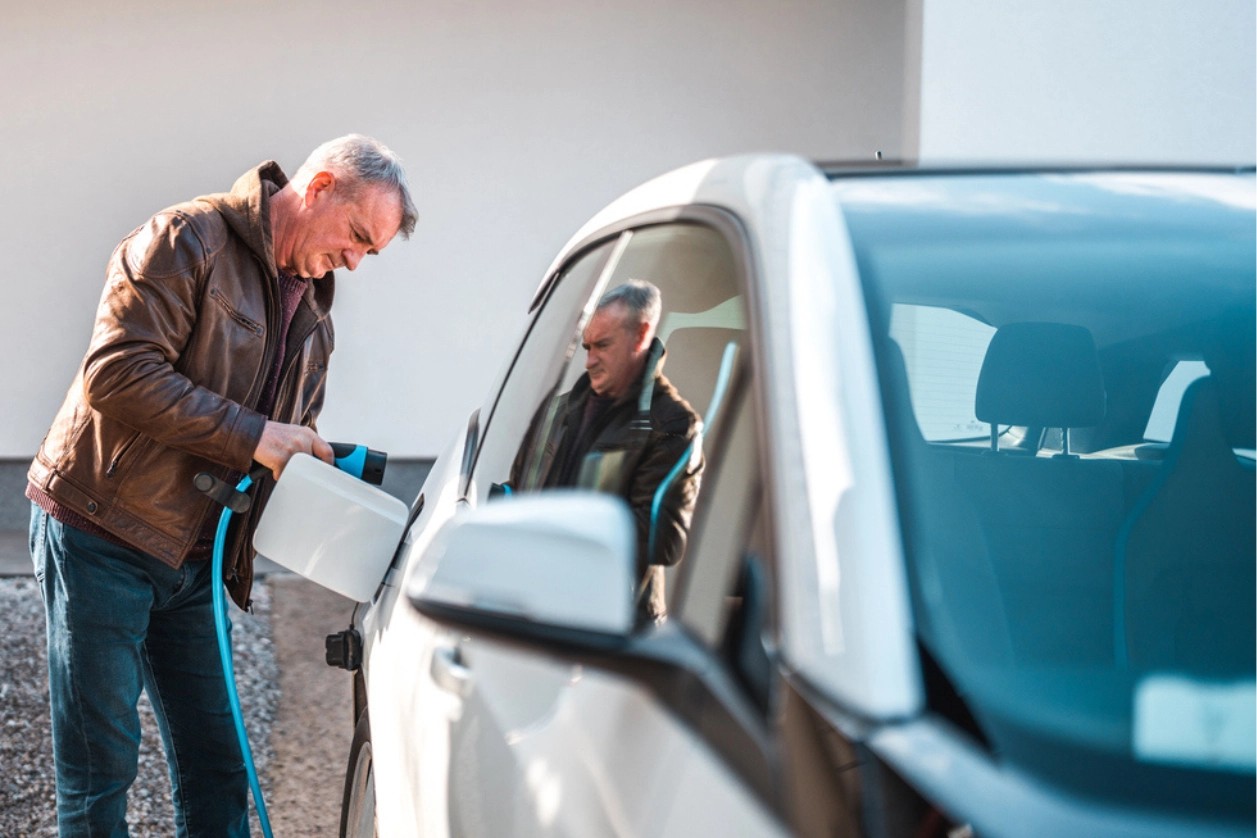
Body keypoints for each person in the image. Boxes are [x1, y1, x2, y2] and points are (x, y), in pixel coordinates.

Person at [26, 134, 417, 836]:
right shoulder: (187, 239)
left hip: (193, 556)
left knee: (218, 765)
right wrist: (255, 436)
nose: (355, 262)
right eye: (357, 236)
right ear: (319, 185)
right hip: (99, 532)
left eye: (371, 254)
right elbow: (116, 374)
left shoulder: (317, 322)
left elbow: (272, 450)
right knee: (101, 766)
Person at [513, 280, 703, 622]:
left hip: (608, 628)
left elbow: (664, 539)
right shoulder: (558, 411)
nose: (589, 361)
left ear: (641, 336)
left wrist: (563, 524)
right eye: (586, 347)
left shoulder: (673, 424)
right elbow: (516, 493)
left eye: (602, 345)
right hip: (531, 606)